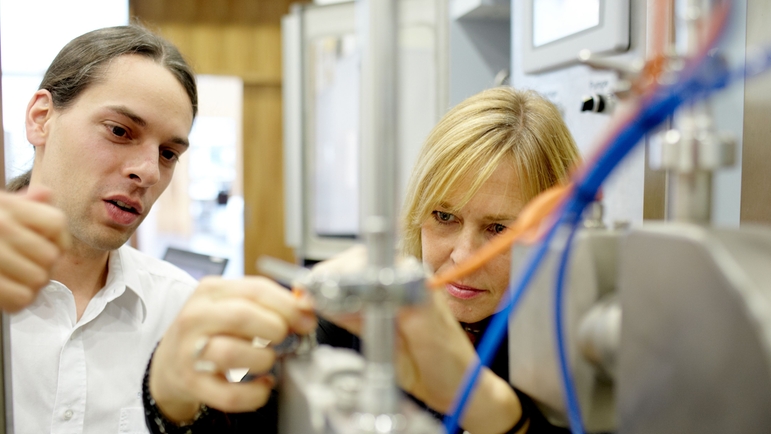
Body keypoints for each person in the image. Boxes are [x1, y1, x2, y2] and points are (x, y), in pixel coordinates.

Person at [143, 87, 580, 434]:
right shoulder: (359, 323)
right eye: (444, 217)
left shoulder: (571, 354)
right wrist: (172, 399)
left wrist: (486, 406)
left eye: (499, 229)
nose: (463, 255)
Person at [3, 24, 315, 434]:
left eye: (168, 153)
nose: (148, 172)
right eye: (119, 131)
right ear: (41, 118)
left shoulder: (178, 311)